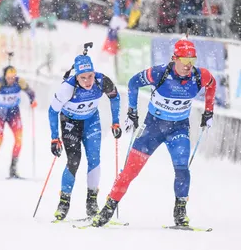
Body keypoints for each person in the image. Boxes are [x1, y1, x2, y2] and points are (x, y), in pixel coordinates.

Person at [92, 39, 216, 227]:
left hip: (179, 129)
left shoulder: (199, 76)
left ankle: (180, 213)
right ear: (175, 58)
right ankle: (107, 210)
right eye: (184, 60)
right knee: (130, 171)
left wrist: (209, 111)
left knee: (182, 169)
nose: (188, 66)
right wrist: (132, 112)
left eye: (193, 60)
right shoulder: (159, 73)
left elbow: (212, 84)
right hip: (153, 129)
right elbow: (133, 83)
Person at [48, 54, 121, 221]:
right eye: (83, 78)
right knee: (73, 160)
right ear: (76, 76)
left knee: (94, 159)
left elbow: (115, 97)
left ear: (94, 73)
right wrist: (54, 138)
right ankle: (64, 203)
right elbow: (53, 111)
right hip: (70, 123)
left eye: (90, 76)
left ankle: (92, 202)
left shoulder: (102, 81)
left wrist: (115, 122)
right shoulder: (67, 88)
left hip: (91, 121)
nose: (87, 81)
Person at [0, 66, 37, 179]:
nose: (11, 80)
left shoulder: (20, 82)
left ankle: (13, 170)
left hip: (14, 114)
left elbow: (31, 93)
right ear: (4, 76)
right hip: (0, 115)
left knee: (19, 140)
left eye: (13, 77)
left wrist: (32, 101)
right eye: (9, 77)